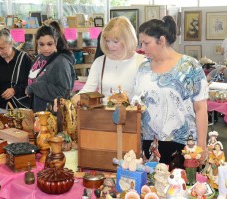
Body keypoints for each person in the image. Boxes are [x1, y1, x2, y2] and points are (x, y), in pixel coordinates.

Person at [134, 15, 208, 166]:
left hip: (183, 144)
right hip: (150, 143)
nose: (142, 48)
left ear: (161, 40)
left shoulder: (189, 66)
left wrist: (202, 144)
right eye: (141, 43)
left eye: (146, 43)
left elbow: (200, 108)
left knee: (181, 186)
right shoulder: (143, 68)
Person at [72, 16, 146, 105]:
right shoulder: (99, 62)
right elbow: (87, 90)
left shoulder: (141, 62)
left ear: (127, 40)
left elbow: (146, 96)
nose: (110, 46)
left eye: (115, 42)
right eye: (107, 41)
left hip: (132, 116)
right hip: (104, 116)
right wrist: (71, 101)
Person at [26, 25, 76, 112]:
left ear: (56, 42)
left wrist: (34, 87)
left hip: (53, 117)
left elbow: (64, 93)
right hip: (38, 112)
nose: (46, 48)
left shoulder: (61, 62)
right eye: (41, 44)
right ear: (37, 43)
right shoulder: (39, 57)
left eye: (50, 44)